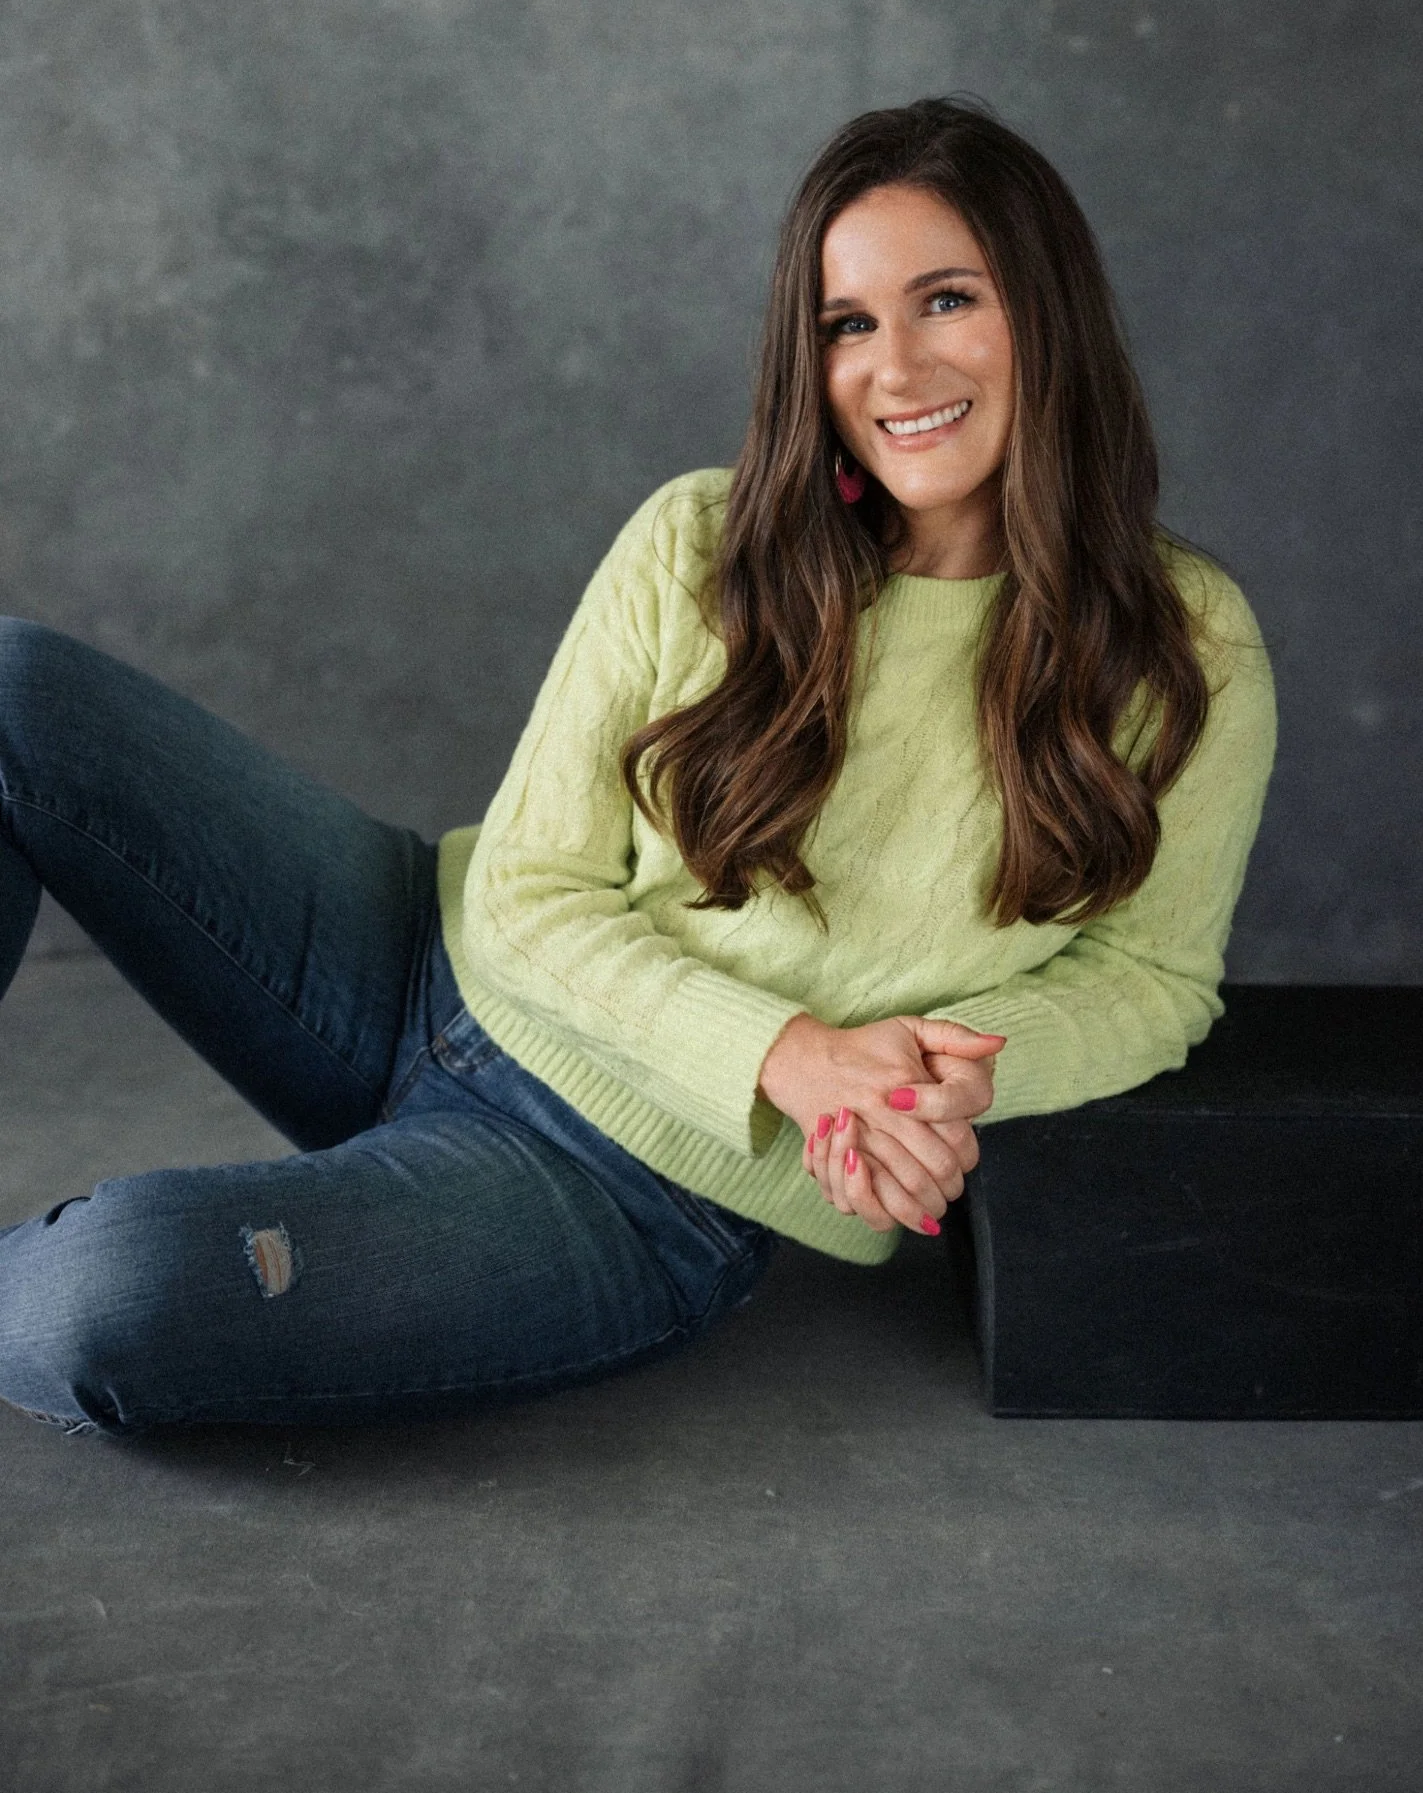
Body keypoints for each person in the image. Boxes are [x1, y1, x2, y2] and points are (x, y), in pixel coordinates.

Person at [0, 98, 1275, 1436]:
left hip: (624, 1191)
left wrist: (931, 1080)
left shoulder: (1185, 648)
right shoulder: (703, 537)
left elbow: (1152, 980)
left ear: (1047, 313)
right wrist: (790, 1052)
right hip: (410, 968)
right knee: (15, 694)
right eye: (847, 324)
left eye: (946, 300)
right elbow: (526, 894)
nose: (894, 367)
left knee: (111, 1295)